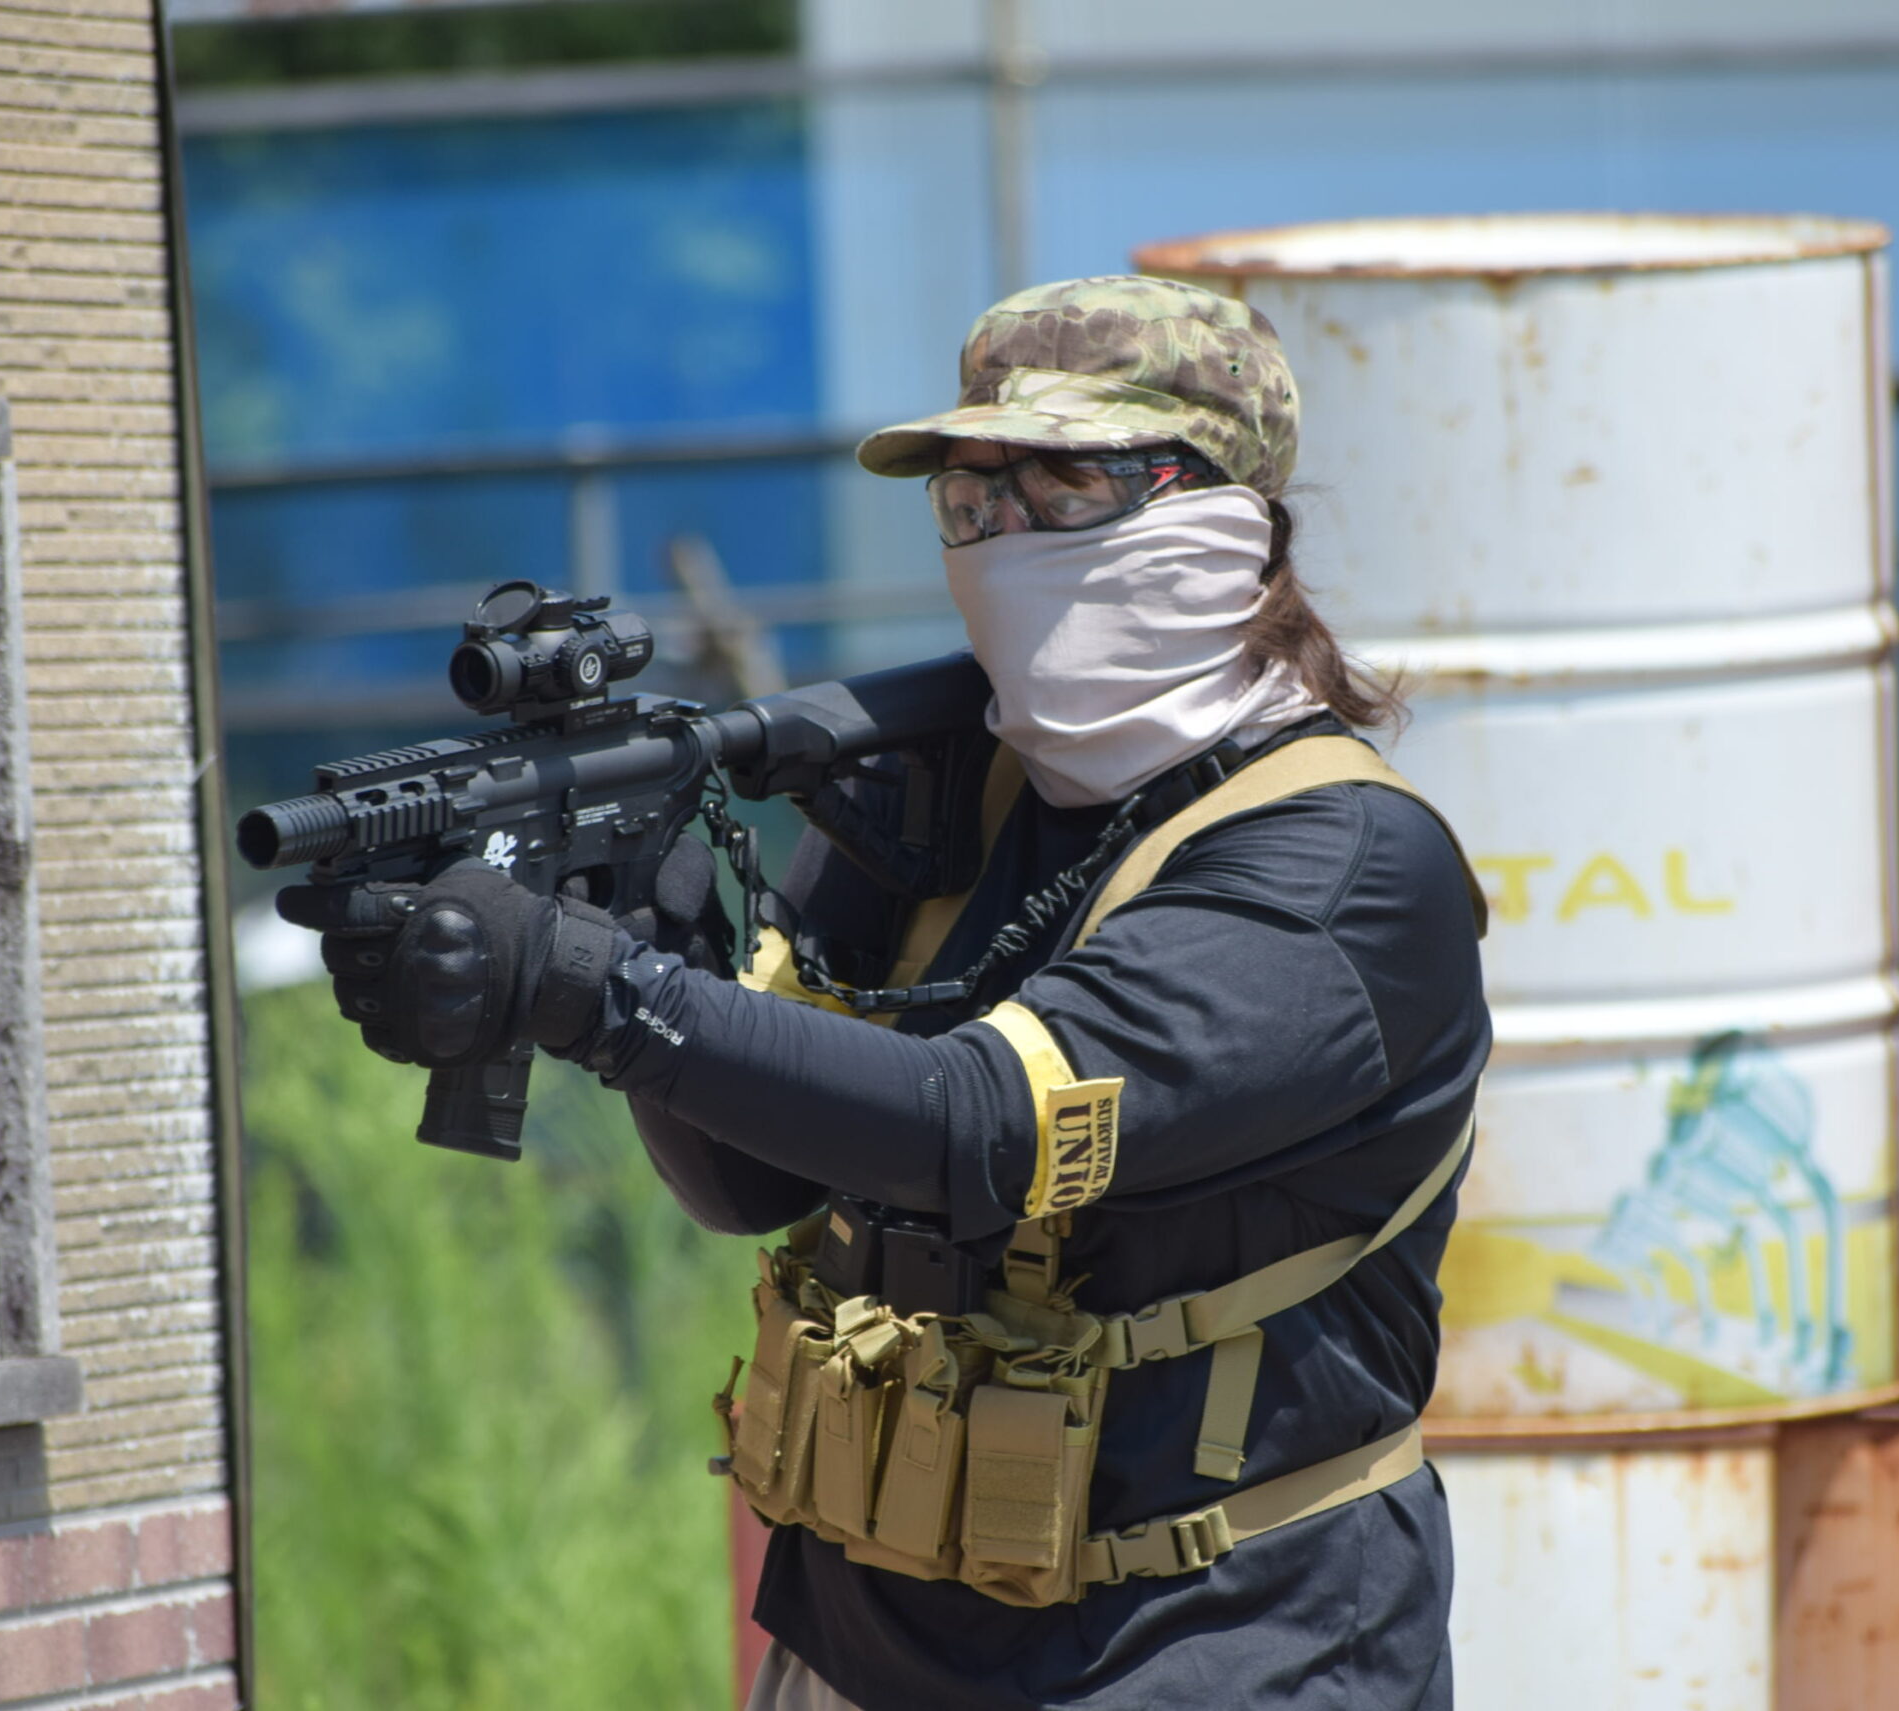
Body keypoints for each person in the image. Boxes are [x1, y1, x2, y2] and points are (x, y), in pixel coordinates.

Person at [282, 276, 1490, 1710]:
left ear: (1230, 519)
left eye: (1067, 486)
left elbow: (973, 1129)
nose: (1005, 535)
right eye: (971, 500)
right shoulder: (952, 786)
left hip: (1212, 1648)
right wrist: (651, 940)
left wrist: (593, 989)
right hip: (865, 1641)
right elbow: (749, 1182)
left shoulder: (1339, 865)